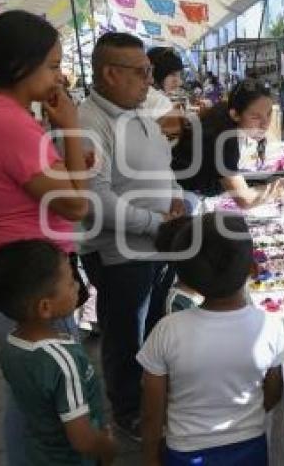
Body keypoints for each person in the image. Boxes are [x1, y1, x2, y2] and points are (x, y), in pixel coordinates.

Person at [0, 10, 90, 466]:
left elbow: (65, 179)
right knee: (47, 405)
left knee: (30, 396)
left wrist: (70, 149)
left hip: (19, 273)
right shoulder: (6, 121)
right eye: (51, 65)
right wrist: (69, 127)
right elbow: (76, 205)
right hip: (29, 286)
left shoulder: (3, 116)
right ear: (21, 65)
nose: (58, 76)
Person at [77, 32, 185, 440]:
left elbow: (164, 167)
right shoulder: (90, 121)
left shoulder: (136, 111)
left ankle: (150, 395)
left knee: (155, 328)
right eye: (140, 72)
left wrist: (175, 198)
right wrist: (155, 222)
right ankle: (127, 409)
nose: (148, 80)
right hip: (121, 253)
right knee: (125, 333)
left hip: (156, 246)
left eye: (150, 72)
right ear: (109, 73)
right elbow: (94, 199)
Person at [140, 213, 284, 466]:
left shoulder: (167, 330)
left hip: (184, 451)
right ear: (254, 268)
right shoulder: (269, 326)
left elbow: (152, 411)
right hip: (249, 447)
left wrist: (150, 458)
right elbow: (273, 393)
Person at [0, 240, 117, 465]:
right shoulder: (64, 361)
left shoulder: (11, 345)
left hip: (39, 453)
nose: (78, 286)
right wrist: (106, 446)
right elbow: (82, 440)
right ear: (45, 307)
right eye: (71, 283)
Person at [172, 79, 284, 208]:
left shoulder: (224, 114)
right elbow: (246, 200)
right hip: (182, 201)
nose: (265, 124)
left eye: (269, 114)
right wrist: (279, 188)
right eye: (256, 117)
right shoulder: (223, 139)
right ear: (235, 115)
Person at [144, 47, 185, 139]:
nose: (179, 82)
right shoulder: (160, 101)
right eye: (172, 74)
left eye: (179, 75)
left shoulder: (140, 94)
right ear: (155, 72)